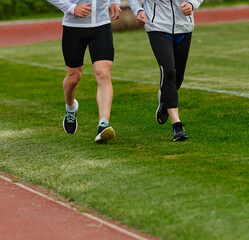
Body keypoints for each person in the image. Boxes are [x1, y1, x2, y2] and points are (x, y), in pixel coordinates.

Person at [47, 0, 122, 143]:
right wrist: (71, 8)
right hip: (73, 27)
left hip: (101, 25)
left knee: (103, 73)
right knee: (74, 77)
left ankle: (103, 125)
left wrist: (114, 2)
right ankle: (70, 108)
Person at [128, 0, 203, 141]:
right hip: (157, 25)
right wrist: (139, 10)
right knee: (169, 71)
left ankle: (164, 101)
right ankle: (177, 126)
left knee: (177, 78)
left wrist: (192, 4)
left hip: (184, 26)